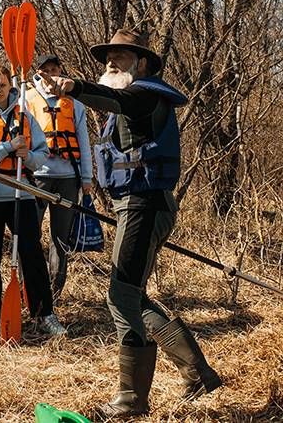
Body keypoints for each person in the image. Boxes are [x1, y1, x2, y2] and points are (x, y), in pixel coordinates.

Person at [39, 29, 222, 417]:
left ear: (141, 64)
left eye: (121, 57)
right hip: (138, 205)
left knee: (120, 296)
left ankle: (132, 398)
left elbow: (116, 98)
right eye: (108, 57)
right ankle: (197, 372)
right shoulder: (129, 103)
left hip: (144, 205)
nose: (111, 62)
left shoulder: (143, 94)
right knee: (132, 295)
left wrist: (72, 86)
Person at [0, 65, 66, 339]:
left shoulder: (24, 115)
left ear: (11, 86)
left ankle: (44, 313)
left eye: (3, 85)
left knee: (32, 254)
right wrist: (8, 147)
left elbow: (41, 153)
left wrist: (27, 157)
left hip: (21, 190)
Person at [26, 54, 93, 297]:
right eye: (46, 69)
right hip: (37, 176)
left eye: (55, 68)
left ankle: (54, 291)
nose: (51, 73)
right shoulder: (27, 98)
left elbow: (84, 142)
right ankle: (31, 288)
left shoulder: (74, 103)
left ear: (61, 71)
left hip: (68, 177)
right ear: (39, 72)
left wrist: (86, 177)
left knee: (60, 238)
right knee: (29, 234)